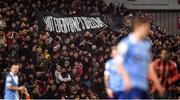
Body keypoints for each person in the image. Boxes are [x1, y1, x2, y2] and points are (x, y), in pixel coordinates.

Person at [114, 16, 164, 99]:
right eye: (146, 28)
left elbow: (149, 66)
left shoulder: (146, 44)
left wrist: (157, 83)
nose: (149, 30)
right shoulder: (125, 43)